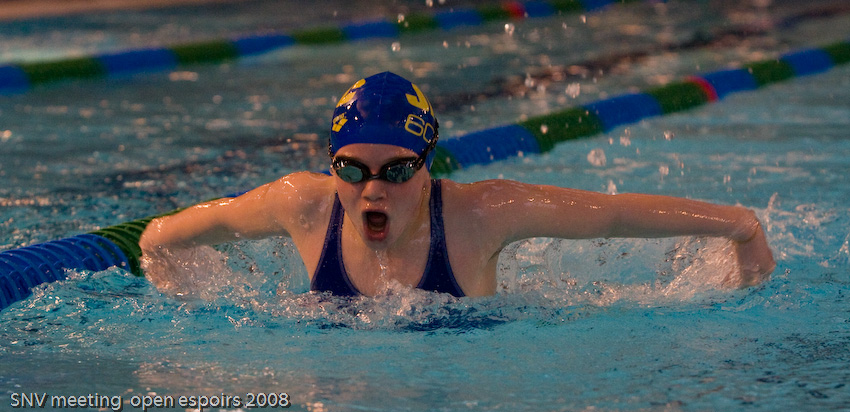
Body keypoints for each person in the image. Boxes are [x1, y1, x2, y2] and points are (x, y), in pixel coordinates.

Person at [139, 71, 775, 298]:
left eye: (395, 170)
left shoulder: (483, 214)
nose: (371, 190)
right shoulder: (302, 204)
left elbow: (610, 215)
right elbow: (162, 237)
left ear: (428, 167)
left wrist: (739, 226)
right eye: (352, 170)